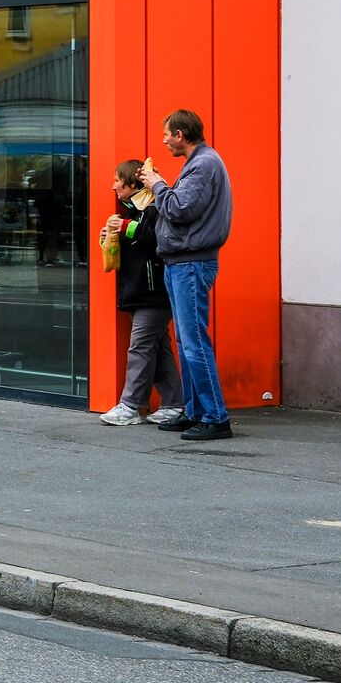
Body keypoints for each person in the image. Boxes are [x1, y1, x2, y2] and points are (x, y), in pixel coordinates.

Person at [138, 110, 235, 443]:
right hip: (183, 263)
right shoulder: (201, 163)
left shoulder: (202, 165)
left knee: (194, 343)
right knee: (187, 341)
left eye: (167, 134)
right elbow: (182, 205)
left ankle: (215, 417)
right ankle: (195, 411)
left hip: (189, 264)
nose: (164, 140)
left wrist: (157, 184)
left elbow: (180, 209)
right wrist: (161, 187)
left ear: (180, 134)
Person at [98, 159, 183, 428]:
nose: (113, 186)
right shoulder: (134, 211)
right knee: (158, 348)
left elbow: (156, 237)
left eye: (117, 181)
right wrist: (109, 237)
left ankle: (130, 406)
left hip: (152, 294)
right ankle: (173, 405)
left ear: (133, 183)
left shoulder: (153, 208)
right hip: (142, 293)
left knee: (141, 348)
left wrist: (123, 228)